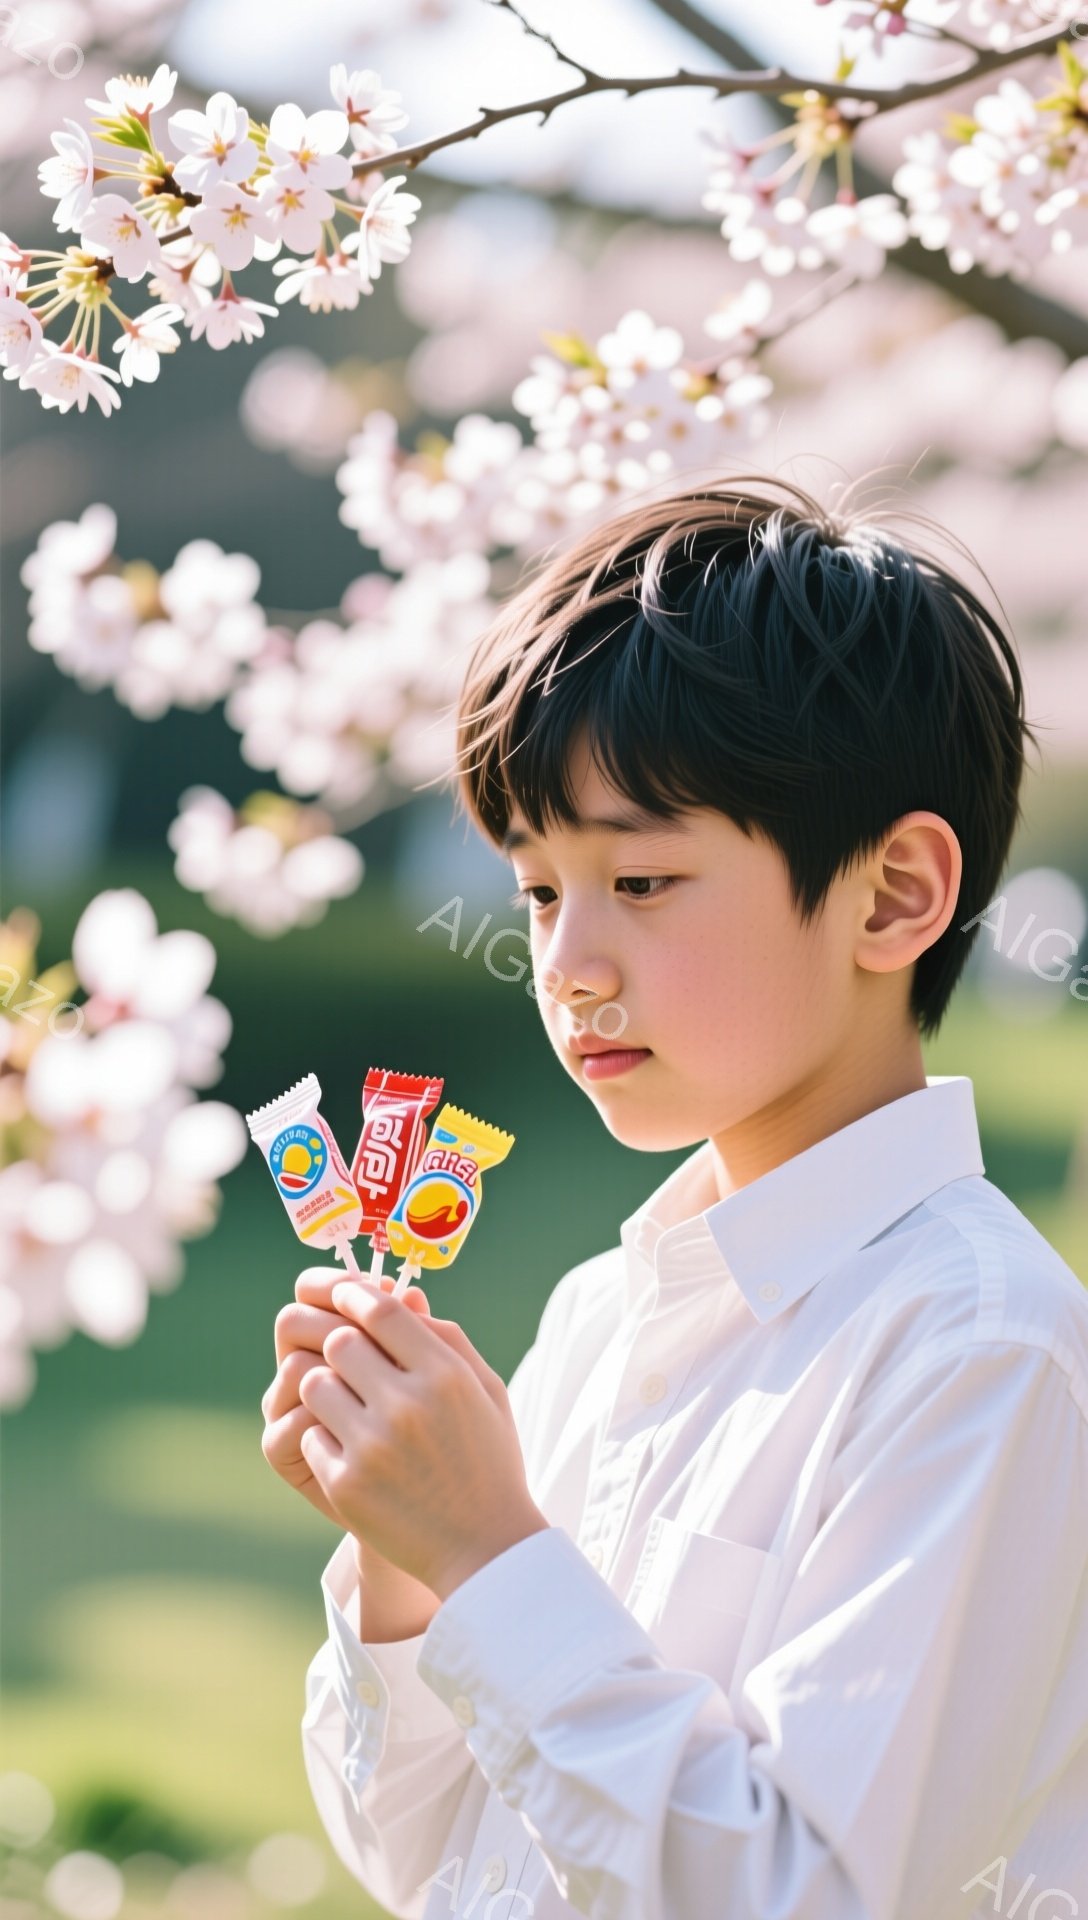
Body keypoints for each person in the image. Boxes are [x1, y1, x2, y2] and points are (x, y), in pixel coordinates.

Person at [261, 475, 1088, 1920]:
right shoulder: (600, 1313)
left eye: (640, 880)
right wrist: (407, 1552)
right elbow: (426, 1854)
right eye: (537, 891)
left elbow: (808, 1892)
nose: (566, 964)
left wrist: (486, 1548)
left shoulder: (976, 1348)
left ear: (893, 894)